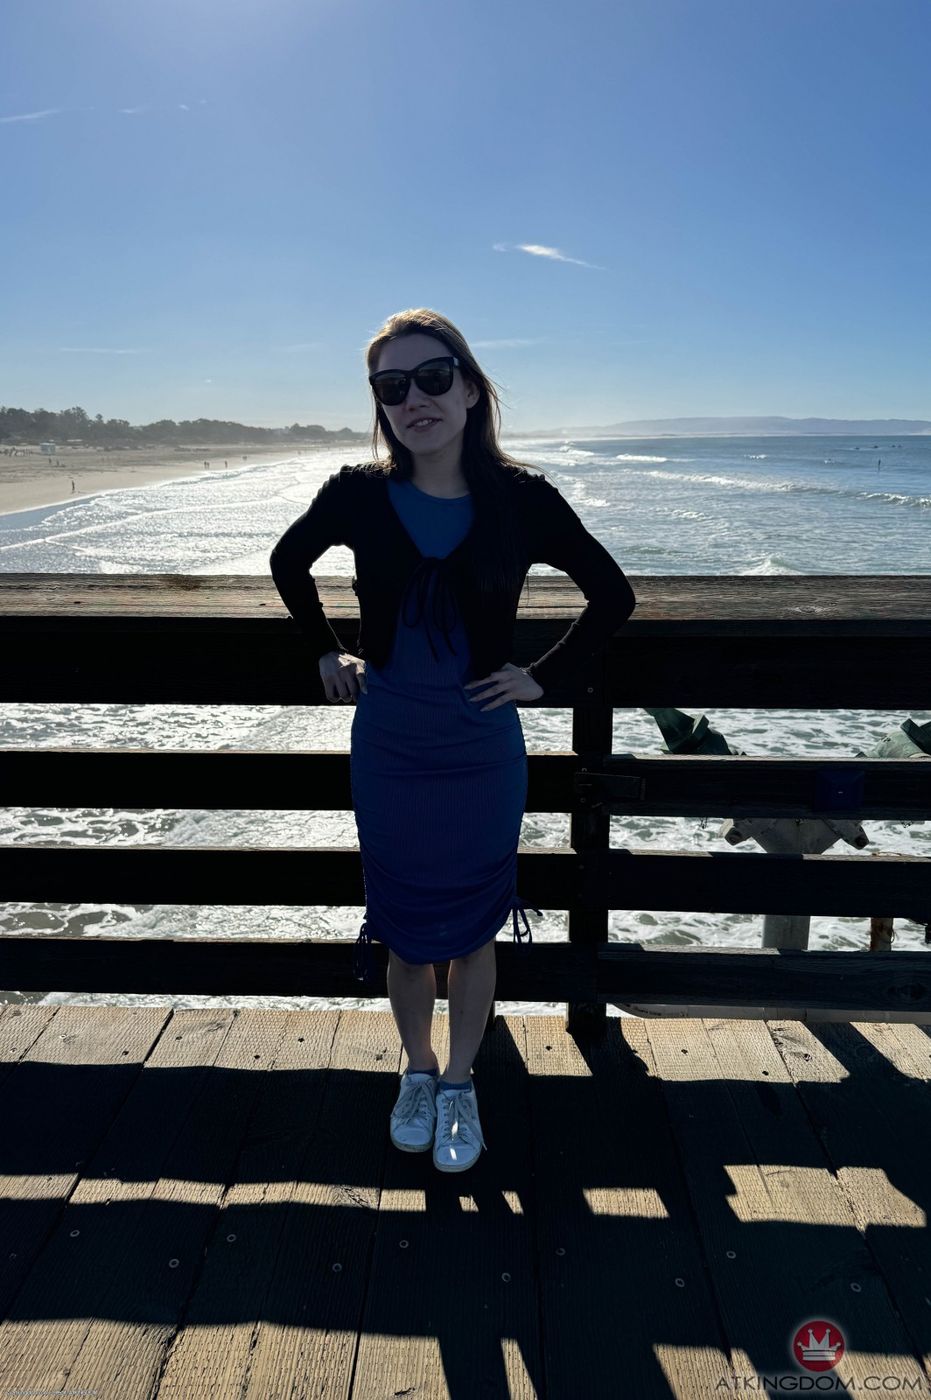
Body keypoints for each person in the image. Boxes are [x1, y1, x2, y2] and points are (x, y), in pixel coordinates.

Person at [269, 308, 635, 1173]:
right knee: (402, 928)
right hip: (389, 743)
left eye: (433, 378)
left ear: (470, 389)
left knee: (473, 930)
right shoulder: (357, 494)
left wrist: (542, 676)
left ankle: (462, 1082)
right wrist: (324, 647)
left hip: (480, 748)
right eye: (392, 387)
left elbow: (612, 595)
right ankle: (418, 1070)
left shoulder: (523, 499)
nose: (414, 400)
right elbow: (289, 563)